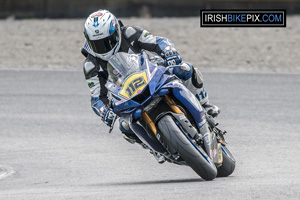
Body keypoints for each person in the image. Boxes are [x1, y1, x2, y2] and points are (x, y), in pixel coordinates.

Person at [81, 10, 220, 163]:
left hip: (151, 72)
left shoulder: (130, 32)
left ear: (116, 32)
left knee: (186, 69)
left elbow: (159, 41)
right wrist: (104, 111)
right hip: (125, 96)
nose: (103, 47)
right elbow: (96, 98)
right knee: (125, 126)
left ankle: (204, 104)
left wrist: (169, 52)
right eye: (97, 44)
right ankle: (153, 148)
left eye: (108, 41)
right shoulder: (90, 65)